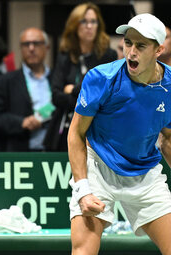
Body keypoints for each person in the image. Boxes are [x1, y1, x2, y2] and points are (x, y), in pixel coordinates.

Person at [67, 13, 171, 255]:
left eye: (141, 45)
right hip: (98, 166)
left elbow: (167, 136)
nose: (131, 52)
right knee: (83, 251)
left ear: (159, 50)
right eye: (128, 43)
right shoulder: (102, 78)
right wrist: (82, 188)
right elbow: (76, 133)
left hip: (144, 174)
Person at [44, 2, 117, 151]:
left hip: (97, 129)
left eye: (93, 22)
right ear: (74, 26)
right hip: (64, 128)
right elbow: (56, 96)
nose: (89, 26)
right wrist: (84, 97)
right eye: (84, 21)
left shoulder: (108, 56)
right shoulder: (65, 56)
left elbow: (104, 96)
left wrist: (72, 89)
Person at [0, 28, 53, 151]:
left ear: (47, 47)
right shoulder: (5, 81)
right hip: (19, 154)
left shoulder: (58, 80)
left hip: (56, 154)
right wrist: (21, 123)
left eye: (36, 43)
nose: (31, 48)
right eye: (26, 44)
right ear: (20, 49)